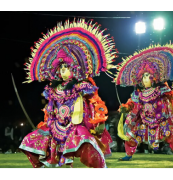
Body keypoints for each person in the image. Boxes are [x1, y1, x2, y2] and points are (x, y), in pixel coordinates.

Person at [19, 19, 117, 168]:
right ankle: (41, 167)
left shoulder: (82, 86)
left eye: (66, 66)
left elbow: (97, 102)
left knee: (87, 145)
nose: (62, 70)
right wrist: (48, 121)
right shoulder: (52, 90)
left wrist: (100, 121)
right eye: (60, 67)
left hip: (75, 125)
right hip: (55, 127)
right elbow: (49, 109)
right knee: (29, 141)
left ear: (75, 68)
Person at [115, 43, 173, 164]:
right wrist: (125, 108)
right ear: (140, 78)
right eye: (144, 76)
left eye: (148, 76)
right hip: (145, 121)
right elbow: (132, 104)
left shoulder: (161, 89)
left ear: (154, 77)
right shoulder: (139, 93)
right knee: (131, 135)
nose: (146, 79)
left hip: (161, 121)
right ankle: (128, 154)